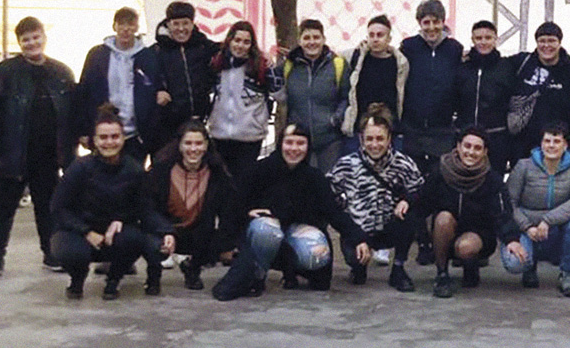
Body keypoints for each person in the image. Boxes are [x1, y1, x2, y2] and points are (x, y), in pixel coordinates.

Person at [212, 122, 367, 299]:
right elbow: (234, 205)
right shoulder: (259, 170)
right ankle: (257, 276)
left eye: (300, 143)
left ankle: (292, 270)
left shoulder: (314, 177)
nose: (294, 148)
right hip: (264, 233)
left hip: (296, 233)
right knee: (266, 231)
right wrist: (231, 236)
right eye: (289, 142)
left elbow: (334, 212)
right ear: (280, 144)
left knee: (317, 256)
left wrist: (359, 238)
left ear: (308, 147)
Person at [0, 15, 78, 277]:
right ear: (19, 43)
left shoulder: (62, 73)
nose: (32, 43)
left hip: (48, 154)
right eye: (26, 39)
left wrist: (70, 151)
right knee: (4, 207)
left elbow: (72, 114)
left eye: (36, 37)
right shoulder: (4, 72)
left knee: (47, 207)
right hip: (13, 152)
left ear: (44, 37)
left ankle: (50, 253)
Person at [50, 103, 167, 300]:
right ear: (94, 140)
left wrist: (124, 221)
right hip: (79, 231)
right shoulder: (79, 168)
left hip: (115, 233)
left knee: (134, 239)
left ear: (123, 138)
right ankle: (77, 280)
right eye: (103, 137)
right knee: (69, 251)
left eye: (115, 137)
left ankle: (114, 281)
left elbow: (143, 208)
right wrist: (86, 231)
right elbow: (58, 208)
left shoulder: (134, 170)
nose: (109, 142)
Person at [328, 104, 424, 291]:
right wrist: (348, 221)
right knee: (355, 261)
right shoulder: (346, 165)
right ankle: (358, 267)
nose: (374, 144)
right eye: (369, 139)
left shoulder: (403, 164)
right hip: (358, 230)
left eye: (380, 139)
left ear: (389, 139)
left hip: (389, 226)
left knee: (410, 215)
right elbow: (329, 197)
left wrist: (407, 200)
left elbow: (421, 189)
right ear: (361, 139)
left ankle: (398, 268)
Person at [414, 126, 516, 298]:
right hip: (444, 232)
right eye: (467, 146)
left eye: (477, 148)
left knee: (466, 247)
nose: (471, 152)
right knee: (443, 218)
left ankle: (471, 265)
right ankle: (442, 274)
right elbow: (422, 204)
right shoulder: (440, 171)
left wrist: (511, 239)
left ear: (485, 152)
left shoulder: (492, 179)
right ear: (458, 147)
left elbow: (502, 213)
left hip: (478, 235)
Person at [142, 119, 236, 290]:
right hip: (166, 230)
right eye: (188, 143)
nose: (193, 149)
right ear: (179, 145)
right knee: (150, 242)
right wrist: (165, 230)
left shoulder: (217, 173)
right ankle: (153, 276)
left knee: (226, 239)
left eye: (198, 143)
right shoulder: (162, 170)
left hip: (198, 232)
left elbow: (228, 210)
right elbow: (149, 209)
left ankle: (193, 269)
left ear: (206, 145)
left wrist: (226, 243)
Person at [501, 122, 570, 297]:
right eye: (547, 141)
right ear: (541, 144)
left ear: (565, 145)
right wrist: (527, 226)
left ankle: (567, 274)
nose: (551, 146)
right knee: (514, 263)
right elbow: (509, 202)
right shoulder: (523, 166)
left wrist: (548, 220)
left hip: (558, 225)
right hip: (527, 225)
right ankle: (529, 267)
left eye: (556, 141)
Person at [75, 6, 167, 164]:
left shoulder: (148, 56)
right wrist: (84, 130)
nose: (126, 29)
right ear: (114, 26)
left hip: (135, 136)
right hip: (105, 133)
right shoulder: (97, 55)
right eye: (122, 24)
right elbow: (84, 91)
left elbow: (157, 87)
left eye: (130, 24)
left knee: (134, 175)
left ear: (136, 28)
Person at [207, 20, 284, 182]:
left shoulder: (262, 66)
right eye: (237, 40)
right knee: (220, 184)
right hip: (219, 136)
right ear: (229, 40)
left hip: (250, 139)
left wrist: (277, 69)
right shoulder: (217, 63)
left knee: (244, 185)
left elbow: (281, 96)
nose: (240, 46)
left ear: (252, 45)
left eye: (246, 42)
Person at [399, 0, 462, 174]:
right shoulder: (409, 47)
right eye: (426, 22)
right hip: (413, 128)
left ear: (443, 22)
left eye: (436, 22)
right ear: (420, 23)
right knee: (412, 177)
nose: (432, 27)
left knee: (439, 177)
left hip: (442, 129)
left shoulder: (454, 49)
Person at [508, 22, 570, 163]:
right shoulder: (522, 63)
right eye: (542, 41)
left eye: (551, 41)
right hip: (523, 146)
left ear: (559, 43)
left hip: (557, 145)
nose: (546, 45)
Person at [279, 18, 349, 170]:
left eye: (316, 37)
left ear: (323, 39)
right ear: (300, 41)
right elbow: (279, 96)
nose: (312, 42)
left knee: (329, 181)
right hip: (298, 141)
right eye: (307, 38)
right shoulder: (289, 66)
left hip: (330, 141)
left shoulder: (338, 65)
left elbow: (346, 98)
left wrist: (335, 119)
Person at [455, 19, 515, 178]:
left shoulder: (507, 67)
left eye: (488, 38)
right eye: (478, 38)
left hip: (496, 139)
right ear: (472, 40)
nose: (483, 42)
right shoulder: (463, 68)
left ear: (496, 39)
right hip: (466, 139)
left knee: (493, 183)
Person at [153, 1, 219, 143]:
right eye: (176, 24)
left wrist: (262, 56)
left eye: (186, 23)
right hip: (167, 126)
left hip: (199, 121)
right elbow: (144, 80)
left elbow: (230, 50)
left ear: (192, 24)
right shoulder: (156, 51)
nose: (181, 29)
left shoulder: (203, 46)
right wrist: (158, 90)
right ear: (168, 24)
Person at [342, 14, 409, 137]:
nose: (375, 39)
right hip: (359, 129)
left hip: (389, 129)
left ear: (389, 39)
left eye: (380, 35)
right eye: (371, 35)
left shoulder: (400, 63)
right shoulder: (355, 58)